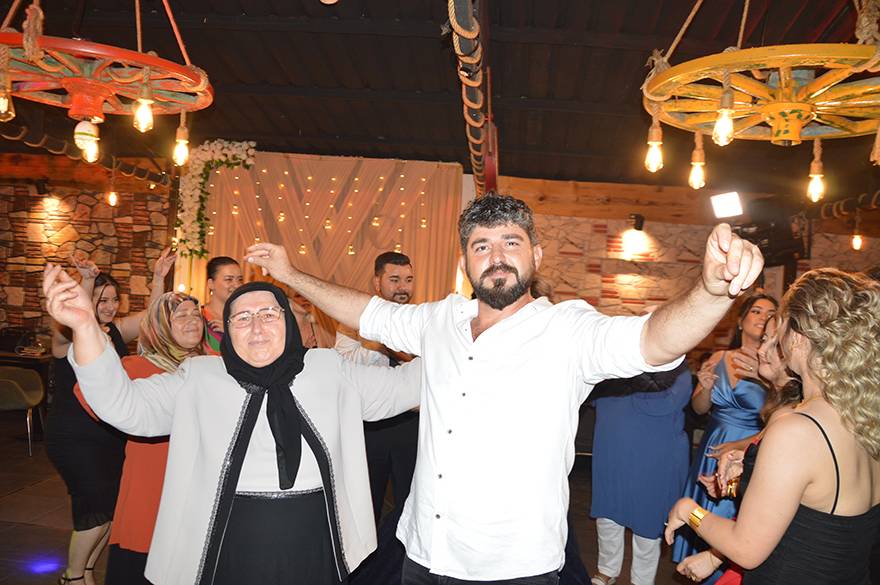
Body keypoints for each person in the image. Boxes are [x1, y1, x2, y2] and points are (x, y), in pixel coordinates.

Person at [244, 192, 764, 584]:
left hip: (514, 567)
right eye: (481, 245)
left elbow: (653, 338)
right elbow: (367, 312)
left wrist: (711, 292)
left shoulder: (567, 329)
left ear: (535, 254)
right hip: (423, 553)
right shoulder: (439, 320)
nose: (496, 256)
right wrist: (292, 274)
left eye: (510, 242)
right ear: (465, 262)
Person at [43, 266, 423, 585]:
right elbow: (123, 405)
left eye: (269, 314)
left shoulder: (331, 370)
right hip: (225, 542)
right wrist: (85, 327)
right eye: (242, 318)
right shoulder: (199, 377)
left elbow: (409, 385)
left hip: (317, 541)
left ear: (288, 323)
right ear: (227, 328)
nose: (256, 326)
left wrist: (454, 331)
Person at [666, 268, 880, 585]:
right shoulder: (864, 416)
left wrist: (688, 510)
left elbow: (746, 549)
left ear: (798, 338)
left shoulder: (798, 429)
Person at [47, 250, 175, 585]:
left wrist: (158, 277)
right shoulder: (67, 337)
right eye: (101, 300)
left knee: (110, 510)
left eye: (114, 299)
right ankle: (73, 577)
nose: (110, 306)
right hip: (75, 437)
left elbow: (152, 314)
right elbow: (72, 321)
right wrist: (87, 280)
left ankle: (88, 570)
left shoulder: (115, 331)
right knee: (94, 510)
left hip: (110, 435)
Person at [74, 292, 205, 585]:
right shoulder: (137, 366)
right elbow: (87, 393)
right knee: (142, 563)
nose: (192, 320)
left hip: (194, 483)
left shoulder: (211, 365)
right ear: (159, 325)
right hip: (151, 482)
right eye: (181, 315)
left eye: (196, 314)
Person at [675, 315, 800, 584]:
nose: (763, 349)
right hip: (720, 448)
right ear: (741, 321)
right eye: (764, 339)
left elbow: (747, 543)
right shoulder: (798, 419)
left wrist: (688, 511)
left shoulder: (792, 422)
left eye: (775, 342)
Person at [589, 362, 692, 585]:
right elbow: (595, 393)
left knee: (648, 520)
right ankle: (607, 569)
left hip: (654, 458)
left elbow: (663, 404)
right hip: (611, 450)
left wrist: (632, 374)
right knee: (607, 512)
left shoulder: (676, 368)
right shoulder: (613, 359)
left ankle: (641, 580)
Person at [336, 250, 418, 524]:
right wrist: (380, 345)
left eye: (408, 280)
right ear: (377, 282)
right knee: (367, 501)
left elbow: (429, 365)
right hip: (370, 425)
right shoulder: (354, 318)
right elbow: (344, 362)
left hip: (411, 422)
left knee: (410, 501)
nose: (402, 287)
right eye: (394, 279)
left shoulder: (418, 320)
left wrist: (386, 346)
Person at [202, 256, 243, 354]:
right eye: (229, 279)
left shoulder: (243, 318)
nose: (237, 285)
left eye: (240, 280)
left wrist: (231, 332)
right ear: (211, 284)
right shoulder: (197, 317)